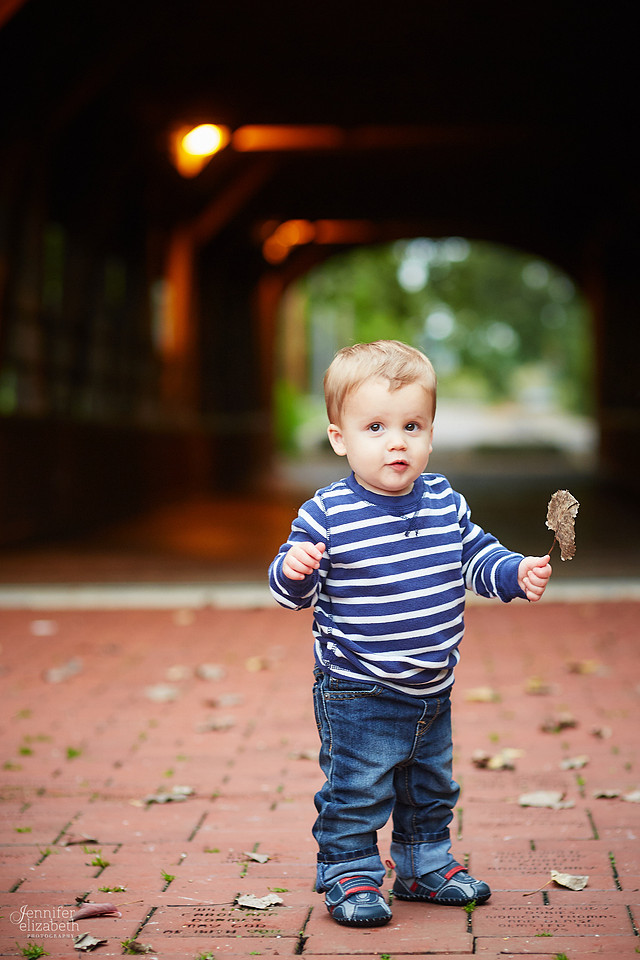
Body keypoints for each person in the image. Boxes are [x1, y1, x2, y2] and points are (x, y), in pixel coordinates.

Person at [268, 340, 552, 927]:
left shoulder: (445, 502)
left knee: (429, 786)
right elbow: (287, 590)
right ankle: (349, 871)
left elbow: (475, 558)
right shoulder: (328, 512)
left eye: (412, 425)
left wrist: (514, 573)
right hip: (358, 687)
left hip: (431, 684)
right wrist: (294, 568)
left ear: (430, 432)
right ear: (339, 438)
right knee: (358, 787)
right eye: (375, 426)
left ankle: (425, 863)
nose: (396, 441)